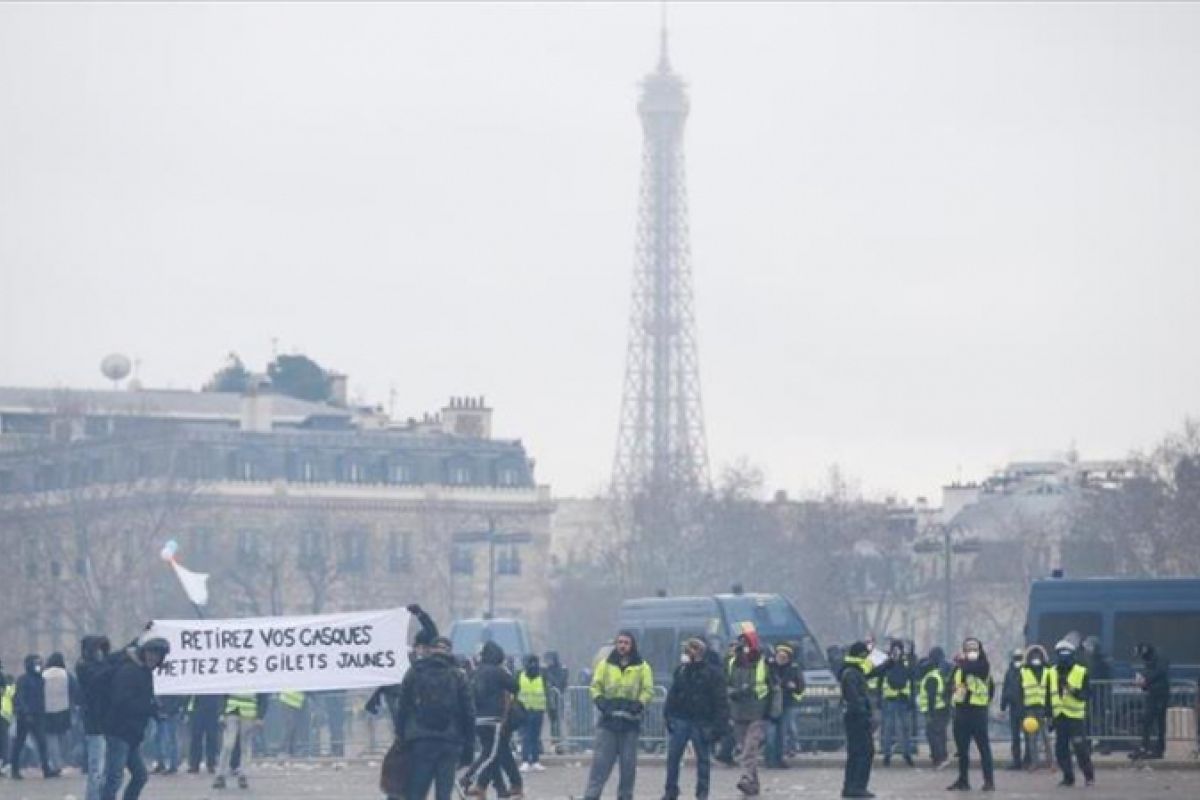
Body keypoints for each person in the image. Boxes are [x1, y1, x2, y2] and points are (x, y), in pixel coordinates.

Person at [395, 636, 475, 800]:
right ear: (449, 652)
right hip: (450, 741)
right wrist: (469, 746)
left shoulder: (414, 672)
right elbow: (469, 713)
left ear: (430, 650)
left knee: (416, 791)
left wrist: (401, 735)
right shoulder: (458, 675)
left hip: (420, 740)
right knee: (444, 793)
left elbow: (402, 707)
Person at [580, 630, 654, 800]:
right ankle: (591, 796)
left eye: (626, 643)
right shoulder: (604, 664)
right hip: (608, 722)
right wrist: (599, 701)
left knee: (628, 768)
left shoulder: (643, 666)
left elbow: (648, 690)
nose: (622, 646)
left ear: (632, 645)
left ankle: (625, 797)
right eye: (619, 642)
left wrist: (640, 703)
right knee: (600, 765)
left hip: (630, 724)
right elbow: (595, 686)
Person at [101, 637, 170, 800]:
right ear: (144, 653)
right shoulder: (130, 671)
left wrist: (154, 710)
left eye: (158, 656)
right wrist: (149, 707)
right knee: (114, 778)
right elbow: (121, 701)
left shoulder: (144, 672)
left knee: (139, 776)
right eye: (151, 654)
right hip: (119, 731)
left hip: (131, 733)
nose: (154, 658)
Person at [663, 637, 728, 800]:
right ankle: (671, 791)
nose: (688, 651)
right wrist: (668, 715)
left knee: (703, 760)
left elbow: (720, 701)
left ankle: (702, 793)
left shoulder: (713, 673)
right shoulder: (681, 670)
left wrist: (718, 726)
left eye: (693, 648)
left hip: (702, 721)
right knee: (673, 757)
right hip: (681, 719)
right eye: (688, 648)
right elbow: (673, 694)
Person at [463, 640, 523, 800]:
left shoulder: (474, 673)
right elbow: (515, 686)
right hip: (495, 719)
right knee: (491, 754)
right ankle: (469, 778)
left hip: (478, 720)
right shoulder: (498, 672)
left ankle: (497, 787)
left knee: (496, 752)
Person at [726, 626, 778, 797]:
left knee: (750, 749)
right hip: (738, 711)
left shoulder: (764, 663)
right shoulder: (732, 662)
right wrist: (731, 693)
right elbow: (725, 683)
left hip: (757, 711)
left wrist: (773, 712)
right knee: (744, 748)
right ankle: (753, 785)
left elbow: (773, 688)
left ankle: (746, 778)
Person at [945, 637, 995, 792]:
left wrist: (961, 661)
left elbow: (975, 672)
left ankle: (989, 781)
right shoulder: (959, 667)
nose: (972, 652)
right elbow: (949, 684)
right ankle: (963, 780)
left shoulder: (983, 665)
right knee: (962, 750)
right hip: (961, 712)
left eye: (974, 649)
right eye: (968, 649)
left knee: (983, 748)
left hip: (977, 712)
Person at [1051, 639, 1095, 787]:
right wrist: (1049, 715)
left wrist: (1073, 691)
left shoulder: (1081, 672)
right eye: (1061, 653)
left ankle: (1089, 776)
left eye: (1066, 653)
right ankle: (1068, 777)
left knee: (1080, 748)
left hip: (1075, 718)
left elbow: (1088, 693)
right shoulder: (1051, 672)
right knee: (1061, 750)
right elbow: (1048, 695)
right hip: (1060, 717)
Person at [77, 636, 113, 800]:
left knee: (102, 766)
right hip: (95, 723)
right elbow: (97, 677)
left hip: (104, 722)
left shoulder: (95, 666)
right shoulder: (85, 667)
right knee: (96, 766)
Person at [11, 654, 57, 779]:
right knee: (19, 743)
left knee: (42, 743)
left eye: (40, 663)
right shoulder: (23, 679)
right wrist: (25, 713)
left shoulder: (40, 679)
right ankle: (14, 770)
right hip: (25, 716)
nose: (39, 666)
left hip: (38, 715)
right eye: (36, 663)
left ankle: (46, 769)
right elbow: (19, 697)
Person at [839, 641, 875, 800]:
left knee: (857, 752)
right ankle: (857, 787)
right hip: (857, 719)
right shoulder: (852, 673)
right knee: (864, 752)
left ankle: (851, 786)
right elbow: (854, 698)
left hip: (855, 718)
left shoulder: (853, 671)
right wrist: (864, 713)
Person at [212, 692, 267, 789]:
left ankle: (243, 775)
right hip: (232, 711)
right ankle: (221, 775)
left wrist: (260, 716)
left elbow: (263, 695)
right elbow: (223, 692)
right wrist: (221, 712)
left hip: (248, 714)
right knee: (228, 745)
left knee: (245, 746)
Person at [765, 643, 805, 768]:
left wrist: (794, 687)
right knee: (770, 734)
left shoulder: (794, 669)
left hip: (787, 704)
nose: (781, 659)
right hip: (770, 705)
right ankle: (770, 759)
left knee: (782, 734)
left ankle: (779, 758)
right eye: (779, 656)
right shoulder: (769, 668)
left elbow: (801, 686)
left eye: (784, 657)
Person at [877, 639, 915, 767]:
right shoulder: (887, 661)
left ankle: (907, 753)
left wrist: (912, 698)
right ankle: (887, 755)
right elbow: (880, 678)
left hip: (902, 698)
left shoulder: (906, 661)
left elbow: (912, 678)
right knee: (889, 728)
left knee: (904, 728)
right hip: (890, 699)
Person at [1133, 643, 1170, 759]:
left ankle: (1153, 748)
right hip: (1154, 693)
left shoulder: (1158, 657)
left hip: (1158, 694)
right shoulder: (1153, 657)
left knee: (1155, 722)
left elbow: (1159, 672)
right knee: (1151, 722)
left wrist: (1145, 680)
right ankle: (1148, 747)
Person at [1019, 645, 1052, 770]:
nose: (1036, 659)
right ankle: (1034, 763)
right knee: (1031, 737)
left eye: (1038, 656)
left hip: (1042, 708)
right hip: (1029, 709)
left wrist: (1049, 710)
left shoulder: (1048, 671)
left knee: (1045, 736)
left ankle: (1051, 762)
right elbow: (1020, 692)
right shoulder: (1024, 671)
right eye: (1033, 656)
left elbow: (1050, 691)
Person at [42, 652, 75, 773]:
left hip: (47, 711)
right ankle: (65, 759)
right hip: (64, 709)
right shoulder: (66, 675)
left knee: (51, 738)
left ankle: (56, 763)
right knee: (64, 735)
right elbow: (74, 690)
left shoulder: (44, 675)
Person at [917, 649, 949, 768]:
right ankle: (942, 757)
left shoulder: (931, 678)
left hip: (934, 710)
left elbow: (931, 697)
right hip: (941, 709)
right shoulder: (938, 674)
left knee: (933, 735)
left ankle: (938, 759)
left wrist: (930, 713)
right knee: (939, 734)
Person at [518, 655, 547, 772]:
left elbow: (547, 692)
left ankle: (535, 761)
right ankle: (525, 761)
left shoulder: (542, 677)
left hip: (538, 710)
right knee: (525, 737)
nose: (533, 665)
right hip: (524, 710)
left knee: (535, 737)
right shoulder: (520, 676)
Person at [999, 647, 1024, 770]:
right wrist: (1003, 706)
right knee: (1015, 737)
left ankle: (1027, 759)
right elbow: (1006, 689)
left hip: (1025, 707)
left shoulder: (1026, 671)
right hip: (1014, 708)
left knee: (1029, 735)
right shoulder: (1009, 672)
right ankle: (1017, 760)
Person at [186, 694, 222, 774]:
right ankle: (194, 764)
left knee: (212, 737)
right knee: (196, 737)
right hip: (198, 708)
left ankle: (211, 763)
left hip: (212, 709)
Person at [151, 695, 186, 774]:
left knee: (171, 739)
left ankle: (173, 765)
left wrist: (170, 710)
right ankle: (161, 763)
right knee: (157, 738)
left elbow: (180, 697)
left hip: (171, 712)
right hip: (159, 712)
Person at [542, 651, 569, 751]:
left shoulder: (561, 669)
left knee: (558, 722)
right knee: (554, 721)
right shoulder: (546, 670)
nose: (548, 662)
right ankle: (555, 742)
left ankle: (559, 743)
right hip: (550, 699)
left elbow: (562, 682)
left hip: (558, 698)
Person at [275, 690, 308, 757]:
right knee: (289, 726)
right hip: (287, 701)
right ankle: (282, 750)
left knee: (294, 727)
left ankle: (292, 751)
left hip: (297, 703)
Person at [0, 662, 13, 776]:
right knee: (4, 740)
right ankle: (5, 763)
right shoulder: (3, 678)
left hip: (3, 716)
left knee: (3, 740)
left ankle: (4, 763)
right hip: (4, 716)